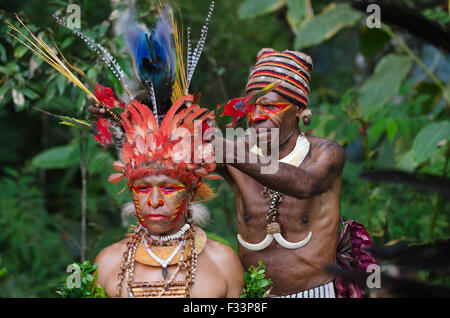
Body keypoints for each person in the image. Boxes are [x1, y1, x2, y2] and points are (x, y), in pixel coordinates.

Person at [213, 48, 346, 298]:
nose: (257, 117)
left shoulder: (326, 153)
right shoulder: (236, 150)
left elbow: (305, 184)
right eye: (251, 108)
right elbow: (183, 156)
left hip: (315, 293)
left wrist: (229, 152)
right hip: (254, 297)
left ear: (298, 109)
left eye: (271, 106)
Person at [93, 94, 244, 298]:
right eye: (143, 189)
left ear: (190, 194)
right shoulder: (107, 263)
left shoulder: (223, 262)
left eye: (169, 188)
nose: (155, 201)